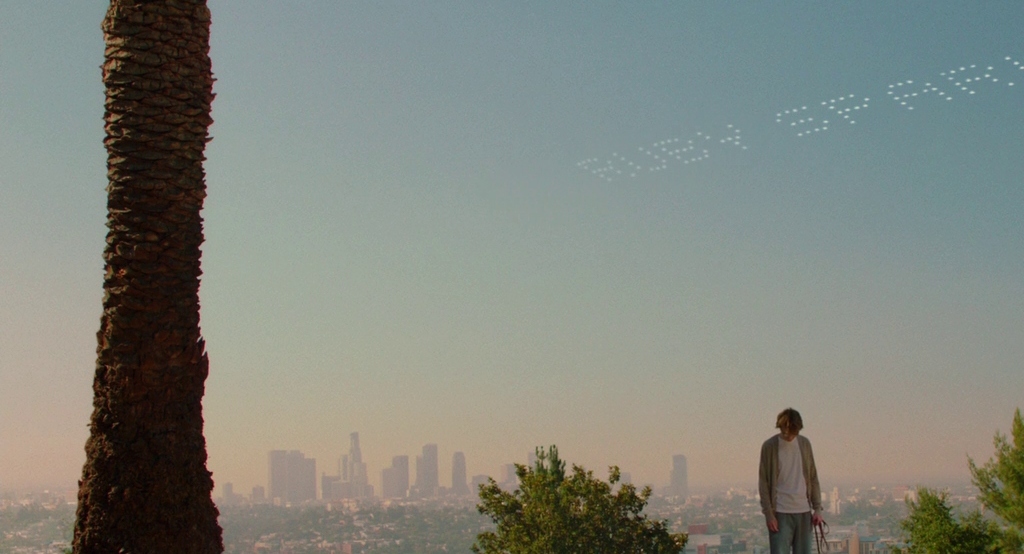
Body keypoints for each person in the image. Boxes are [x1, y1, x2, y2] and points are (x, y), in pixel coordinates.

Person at [759, 408, 823, 554]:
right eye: (787, 432)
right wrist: (769, 514)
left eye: (794, 433)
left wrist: (817, 509)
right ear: (781, 427)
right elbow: (763, 482)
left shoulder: (805, 444)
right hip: (780, 512)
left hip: (804, 511)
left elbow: (813, 477)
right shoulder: (769, 446)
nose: (790, 437)